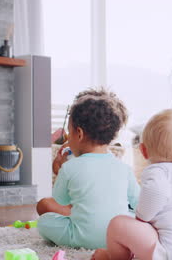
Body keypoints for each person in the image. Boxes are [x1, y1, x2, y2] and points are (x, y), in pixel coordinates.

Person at [92, 108, 172, 260]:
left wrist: (141, 218)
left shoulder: (158, 172)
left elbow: (158, 192)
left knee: (118, 224)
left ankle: (112, 258)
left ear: (143, 151)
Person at [36, 88, 140, 249]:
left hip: (79, 237)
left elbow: (60, 201)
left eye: (69, 133)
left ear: (79, 133)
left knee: (44, 222)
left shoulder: (69, 167)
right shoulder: (123, 168)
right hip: (117, 238)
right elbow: (138, 202)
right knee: (130, 216)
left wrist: (62, 171)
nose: (68, 139)